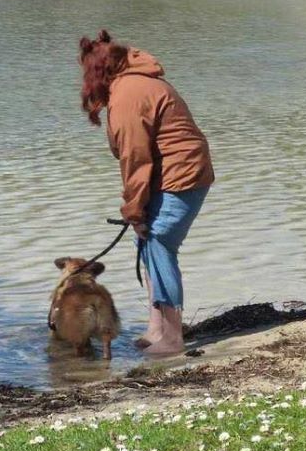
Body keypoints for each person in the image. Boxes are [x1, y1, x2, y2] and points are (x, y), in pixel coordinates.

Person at [79, 29, 214, 357]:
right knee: (146, 242)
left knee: (158, 242)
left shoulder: (128, 93)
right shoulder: (135, 81)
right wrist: (136, 212)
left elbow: (135, 159)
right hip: (176, 176)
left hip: (181, 178)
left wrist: (135, 211)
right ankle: (157, 328)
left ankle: (172, 338)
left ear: (100, 71)